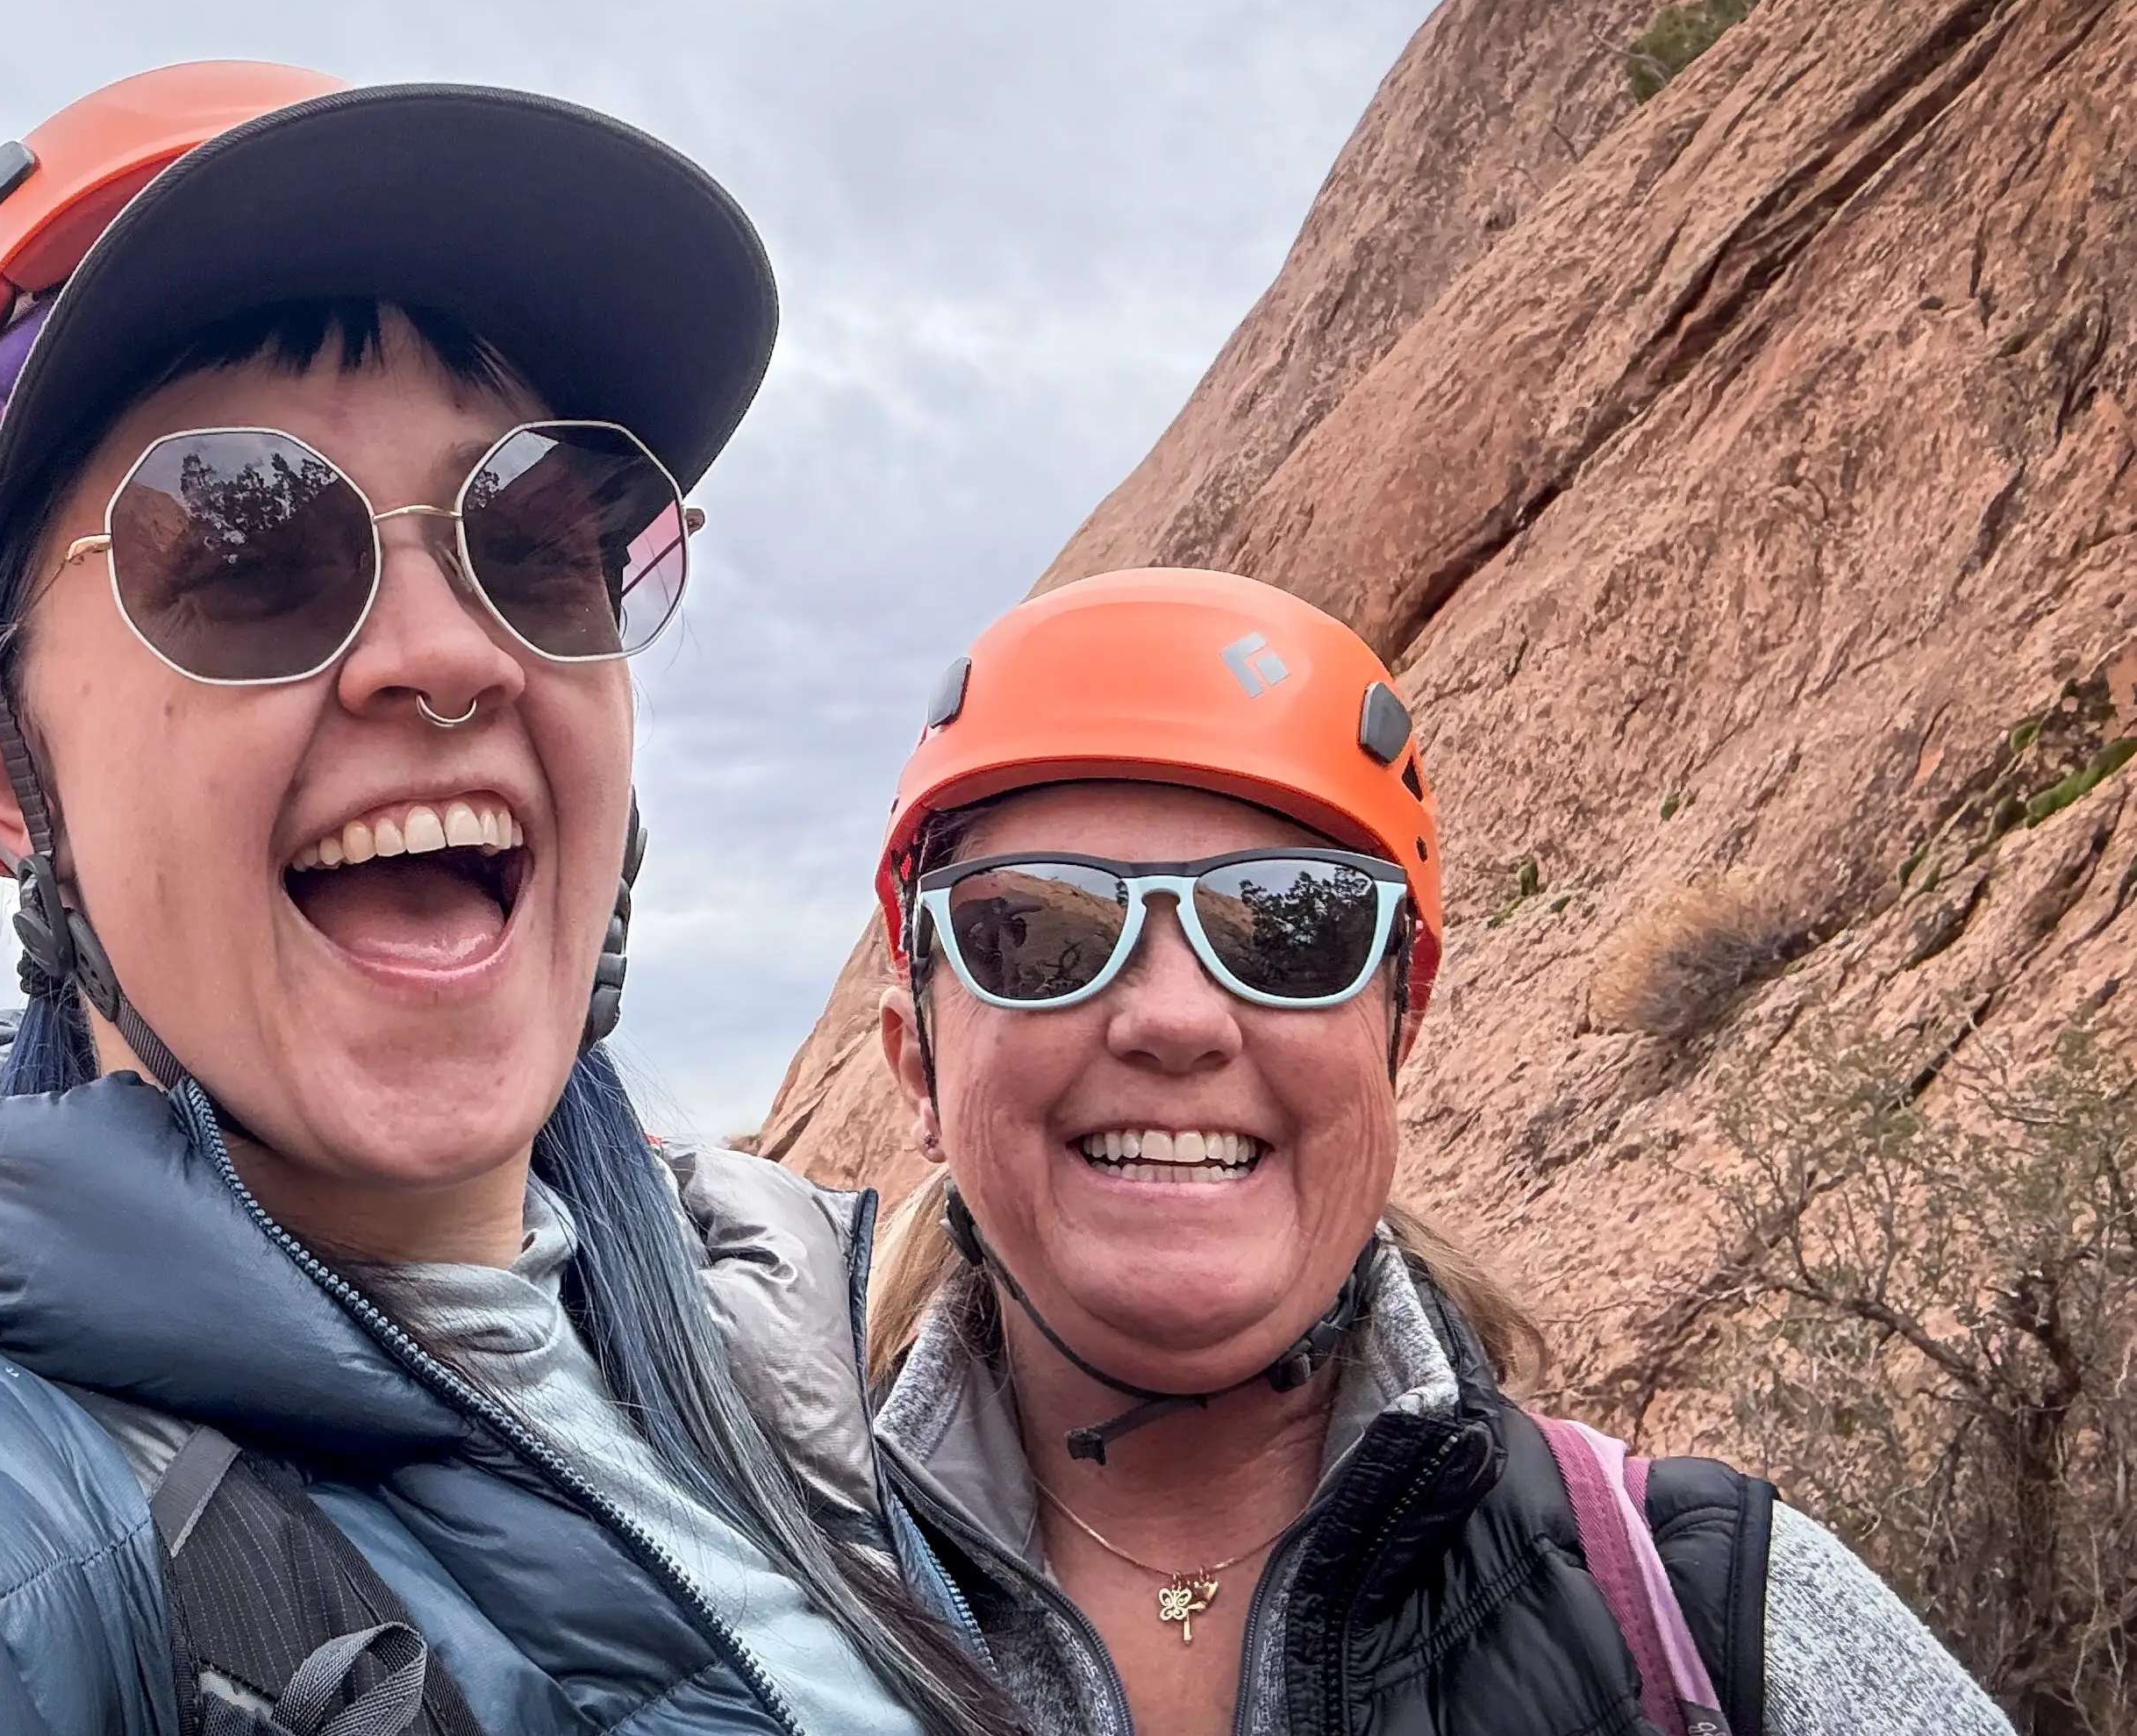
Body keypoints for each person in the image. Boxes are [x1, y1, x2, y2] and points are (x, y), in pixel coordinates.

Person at [0, 63, 1013, 1736]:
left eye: (537, 536)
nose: (446, 653)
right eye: (242, 548)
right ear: (9, 778)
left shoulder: (747, 1330)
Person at [859, 568, 2014, 1735]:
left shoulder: (1717, 1619)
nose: (1176, 1019)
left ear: (1392, 1046)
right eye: (1044, 930)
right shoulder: (736, 1614)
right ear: (920, 1066)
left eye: (1292, 926)